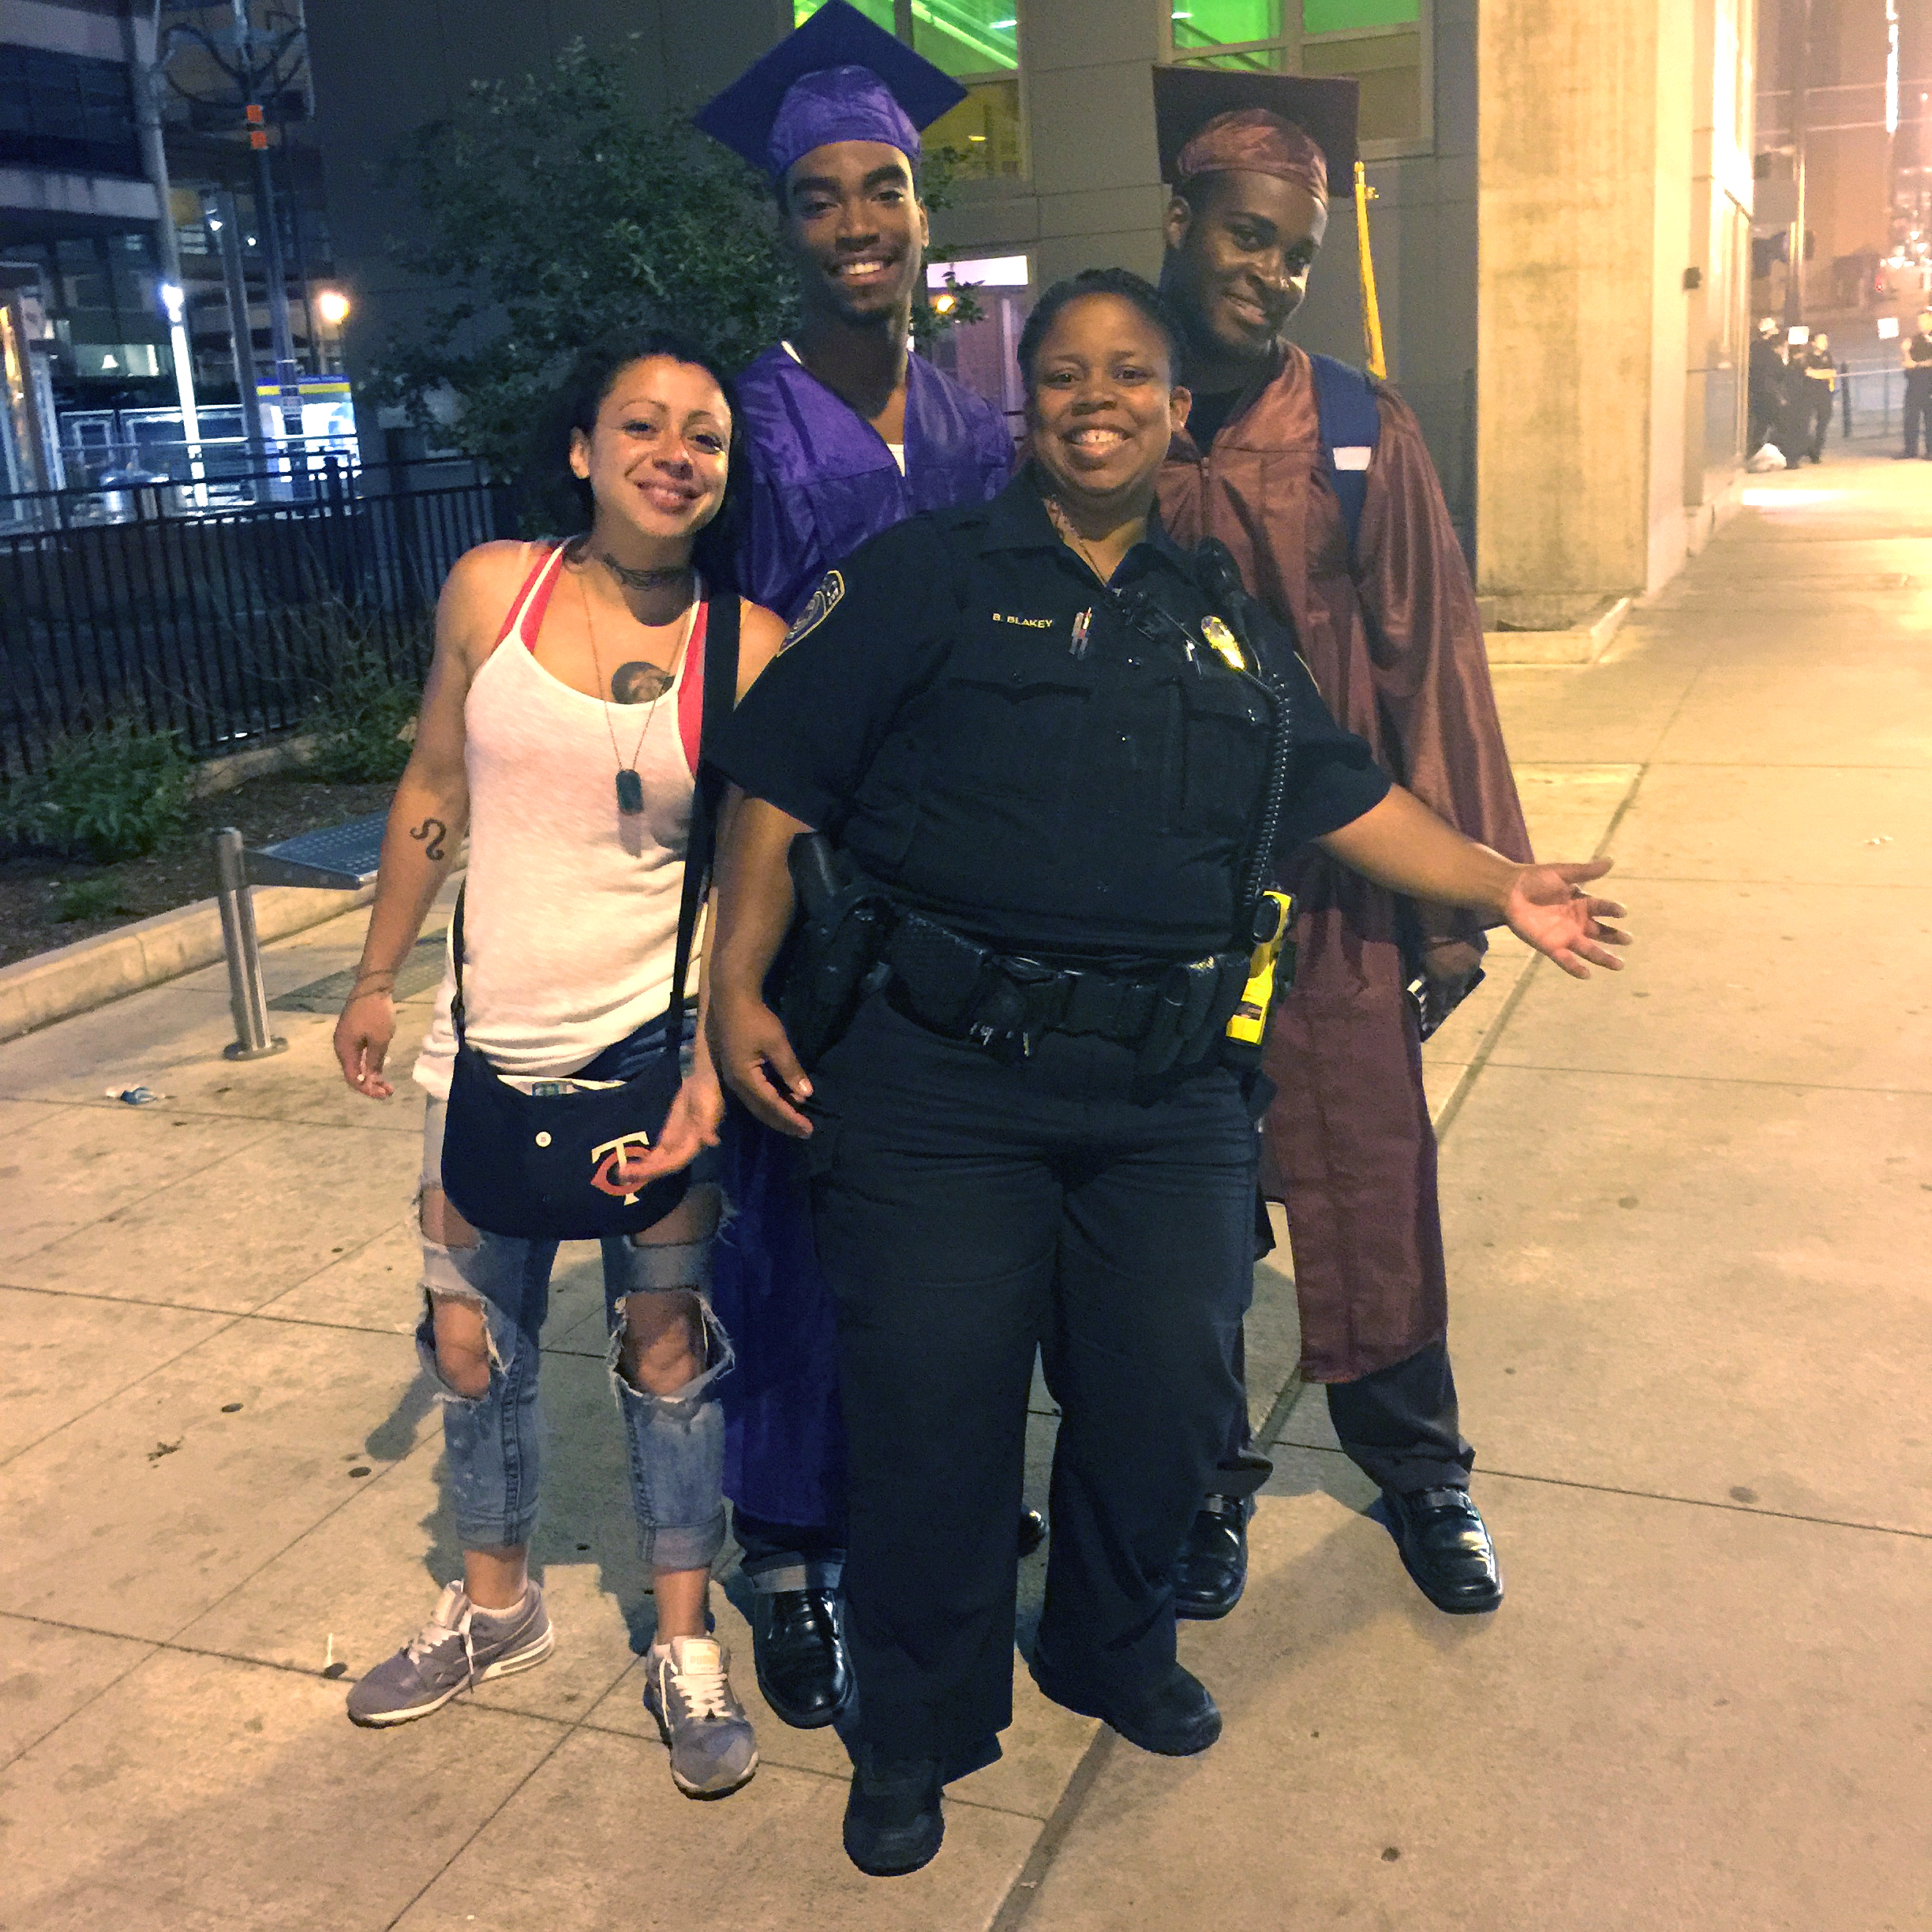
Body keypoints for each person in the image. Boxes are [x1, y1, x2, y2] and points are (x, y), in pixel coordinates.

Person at [705, 269, 1630, 1875]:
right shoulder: (926, 579)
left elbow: (1342, 795)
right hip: (940, 1090)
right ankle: (917, 1725)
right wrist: (732, 984)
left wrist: (1498, 882)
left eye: (1130, 372)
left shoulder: (1220, 615)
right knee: (933, 1424)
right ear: (1028, 407)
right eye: (1064, 373)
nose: (1097, 397)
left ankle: (1110, 1646)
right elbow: (779, 787)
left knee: (1165, 1404)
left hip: (1168, 1099)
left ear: (1171, 409)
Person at [330, 327, 788, 1797]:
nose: (674, 452)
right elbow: (433, 783)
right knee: (469, 1344)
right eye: (641, 425)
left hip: (650, 1065)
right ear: (582, 450)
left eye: (703, 435)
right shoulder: (490, 588)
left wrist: (714, 1060)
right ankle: (498, 1604)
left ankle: (680, 1635)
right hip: (482, 1052)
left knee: (661, 1351)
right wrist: (373, 977)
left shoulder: (749, 643)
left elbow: (748, 873)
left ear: (723, 474)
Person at [1151, 71, 1534, 1623]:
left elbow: (1434, 661)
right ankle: (1201, 1481)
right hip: (1163, 915)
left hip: (1332, 900)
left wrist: (1454, 912)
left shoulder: (1365, 429)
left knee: (1372, 1182)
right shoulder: (1116, 415)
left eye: (1295, 251)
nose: (1268, 269)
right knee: (1183, 1228)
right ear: (1179, 223)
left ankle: (1422, 1468)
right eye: (1245, 235)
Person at [694, 0, 1015, 1732]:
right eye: (819, 196)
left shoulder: (976, 420)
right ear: (786, 224)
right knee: (796, 1221)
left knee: (943, 1218)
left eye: (881, 185)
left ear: (919, 203)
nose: (858, 222)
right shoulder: (741, 421)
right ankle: (792, 1545)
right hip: (799, 875)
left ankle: (917, 1494)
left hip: (956, 875)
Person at [1748, 316, 1788, 453]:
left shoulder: (1752, 348)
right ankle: (1772, 449)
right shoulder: (1771, 351)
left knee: (1760, 423)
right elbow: (1781, 371)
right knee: (1780, 423)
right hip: (1770, 392)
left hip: (1756, 391)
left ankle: (1755, 450)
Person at [1796, 331, 1837, 463]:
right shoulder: (1806, 357)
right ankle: (1803, 449)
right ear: (1813, 343)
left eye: (1826, 340)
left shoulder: (1828, 356)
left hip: (1825, 395)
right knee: (1805, 423)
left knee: (1823, 424)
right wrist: (1819, 374)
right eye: (1821, 340)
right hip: (1809, 395)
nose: (1825, 343)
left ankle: (1816, 453)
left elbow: (1832, 373)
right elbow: (1806, 373)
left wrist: (1815, 373)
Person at [1900, 309, 1932, 459]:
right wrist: (1905, 352)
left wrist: (1918, 365)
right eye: (1919, 321)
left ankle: (1930, 451)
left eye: (1924, 320)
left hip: (1929, 384)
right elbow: (1907, 362)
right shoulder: (1915, 340)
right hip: (1914, 384)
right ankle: (1910, 450)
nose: (1921, 324)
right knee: (1910, 418)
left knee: (1930, 419)